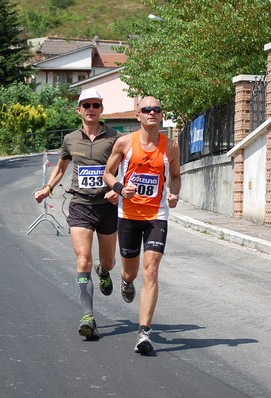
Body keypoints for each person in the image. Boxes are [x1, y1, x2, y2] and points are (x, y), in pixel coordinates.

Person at [34, 88, 120, 340]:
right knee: (82, 258)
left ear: (101, 109)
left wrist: (119, 189)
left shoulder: (116, 138)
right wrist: (47, 188)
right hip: (80, 205)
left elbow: (128, 168)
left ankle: (103, 272)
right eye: (86, 105)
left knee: (108, 262)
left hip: (107, 206)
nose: (91, 109)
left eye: (95, 105)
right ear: (79, 110)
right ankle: (88, 316)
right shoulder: (70, 139)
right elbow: (61, 168)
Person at [103, 96, 181, 353]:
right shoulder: (125, 143)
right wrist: (120, 188)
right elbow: (108, 172)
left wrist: (174, 193)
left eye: (156, 109)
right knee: (130, 273)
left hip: (156, 216)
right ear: (138, 115)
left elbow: (176, 176)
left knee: (151, 271)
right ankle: (125, 281)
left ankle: (144, 333)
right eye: (146, 109)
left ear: (161, 115)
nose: (151, 113)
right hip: (128, 215)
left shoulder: (170, 147)